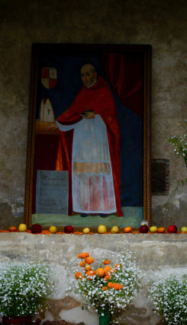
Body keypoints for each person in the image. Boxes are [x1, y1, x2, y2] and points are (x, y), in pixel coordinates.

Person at [50, 63, 123, 217]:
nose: (86, 78)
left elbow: (111, 116)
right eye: (83, 75)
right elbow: (73, 112)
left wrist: (96, 115)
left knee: (100, 173)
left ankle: (103, 208)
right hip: (82, 141)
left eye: (88, 74)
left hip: (99, 140)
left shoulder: (104, 91)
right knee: (82, 173)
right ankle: (84, 208)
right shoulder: (82, 93)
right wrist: (58, 123)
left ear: (95, 74)